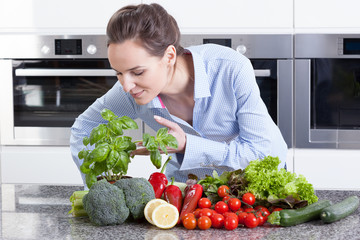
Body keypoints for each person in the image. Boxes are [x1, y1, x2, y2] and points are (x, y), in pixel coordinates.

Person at [70, 3, 287, 187]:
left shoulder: (230, 69)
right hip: (189, 188)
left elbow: (258, 154)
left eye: (137, 72)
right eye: (118, 72)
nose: (126, 85)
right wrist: (99, 188)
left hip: (256, 186)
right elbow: (84, 127)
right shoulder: (129, 91)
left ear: (169, 56)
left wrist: (187, 145)